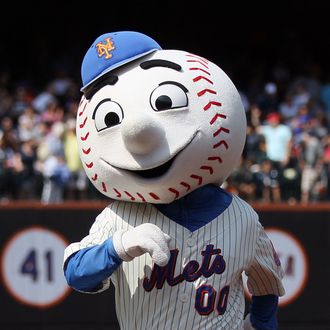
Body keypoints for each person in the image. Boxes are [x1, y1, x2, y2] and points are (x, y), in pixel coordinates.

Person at [63, 31, 285, 330]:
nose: (135, 130)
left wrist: (260, 323)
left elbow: (267, 283)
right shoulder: (118, 217)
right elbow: (76, 273)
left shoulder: (242, 216)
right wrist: (118, 247)